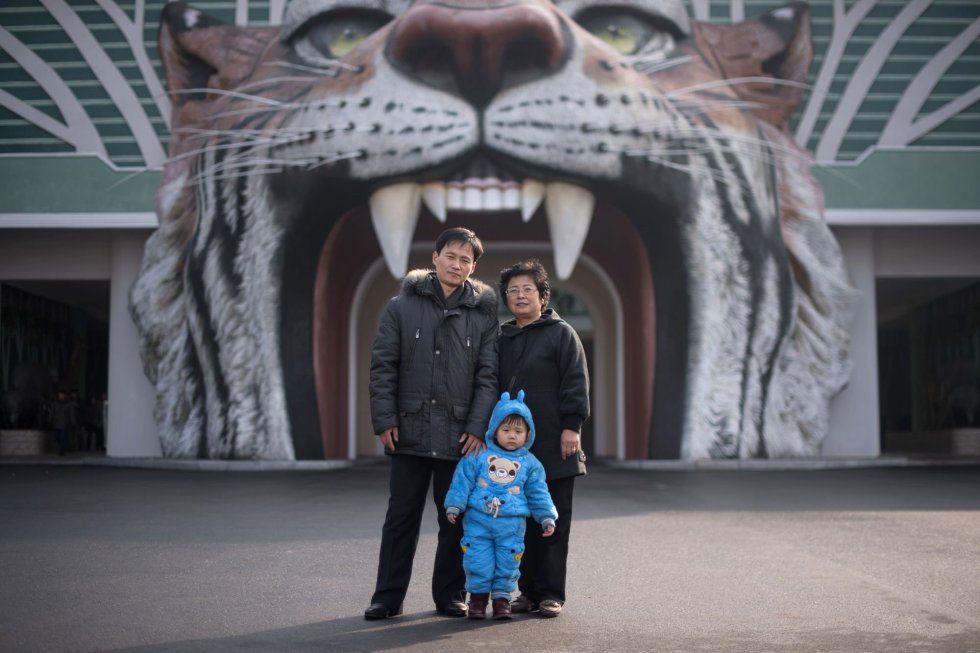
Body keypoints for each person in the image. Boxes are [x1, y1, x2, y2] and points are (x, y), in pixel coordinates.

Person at [365, 227, 500, 620]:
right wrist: (385, 418)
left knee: (455, 519)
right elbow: (383, 367)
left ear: (473, 267)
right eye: (451, 255)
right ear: (436, 257)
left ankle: (449, 595)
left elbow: (488, 376)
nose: (457, 264)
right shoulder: (400, 306)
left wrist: (477, 427)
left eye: (466, 260)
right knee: (400, 518)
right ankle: (387, 598)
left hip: (460, 436)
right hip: (409, 431)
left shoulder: (483, 313)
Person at [498, 259, 589, 618]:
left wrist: (572, 426)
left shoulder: (562, 333)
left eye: (527, 290)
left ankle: (551, 593)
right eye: (513, 291)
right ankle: (528, 591)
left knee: (552, 520)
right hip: (514, 450)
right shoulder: (502, 338)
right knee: (521, 523)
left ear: (542, 295)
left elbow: (576, 381)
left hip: (554, 443)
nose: (520, 296)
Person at [444, 390, 557, 620]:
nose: (512, 436)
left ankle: (501, 600)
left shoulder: (530, 463)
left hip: (512, 525)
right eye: (506, 430)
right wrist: (454, 505)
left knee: (507, 562)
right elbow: (462, 481)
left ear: (528, 434)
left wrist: (546, 516)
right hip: (478, 522)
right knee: (477, 559)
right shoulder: (480, 454)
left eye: (518, 431)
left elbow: (538, 492)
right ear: (495, 430)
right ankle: (477, 600)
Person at [48, 390, 76, 456]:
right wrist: (49, 420)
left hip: (64, 423)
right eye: (60, 395)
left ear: (65, 396)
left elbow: (71, 414)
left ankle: (62, 451)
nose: (60, 396)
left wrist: (73, 422)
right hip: (56, 422)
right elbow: (52, 412)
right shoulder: (55, 403)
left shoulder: (69, 404)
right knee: (57, 437)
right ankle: (64, 447)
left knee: (62, 437)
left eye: (62, 395)